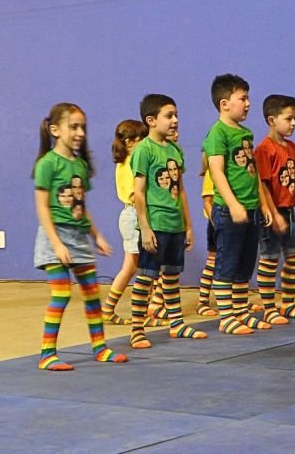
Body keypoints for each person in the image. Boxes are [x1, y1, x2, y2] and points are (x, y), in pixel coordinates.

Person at [32, 102, 127, 371]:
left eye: (82, 127)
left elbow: (80, 206)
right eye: (73, 127)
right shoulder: (47, 164)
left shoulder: (81, 165)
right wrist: (57, 244)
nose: (80, 133)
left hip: (79, 237)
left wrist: (96, 236)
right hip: (55, 237)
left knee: (92, 294)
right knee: (61, 293)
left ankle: (100, 347)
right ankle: (47, 354)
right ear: (55, 130)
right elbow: (42, 208)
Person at [129, 94, 206, 349]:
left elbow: (180, 190)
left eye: (176, 115)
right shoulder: (144, 150)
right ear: (151, 120)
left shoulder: (175, 150)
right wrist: (145, 227)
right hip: (156, 224)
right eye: (168, 116)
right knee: (146, 277)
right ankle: (137, 329)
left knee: (172, 276)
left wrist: (188, 225)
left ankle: (176, 324)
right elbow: (139, 192)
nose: (175, 121)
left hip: (174, 224)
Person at [202, 74, 272, 335]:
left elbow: (253, 173)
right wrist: (232, 204)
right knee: (227, 263)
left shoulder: (245, 133)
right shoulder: (217, 133)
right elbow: (217, 171)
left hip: (251, 209)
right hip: (228, 210)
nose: (248, 103)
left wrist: (263, 205)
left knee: (245, 263)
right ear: (224, 104)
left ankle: (241, 312)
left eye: (247, 98)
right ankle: (226, 316)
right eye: (243, 98)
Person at [254, 94, 295, 324]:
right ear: (272, 120)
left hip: (289, 211)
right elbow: (262, 185)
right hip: (272, 213)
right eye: (288, 119)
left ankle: (287, 303)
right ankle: (269, 307)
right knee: (269, 259)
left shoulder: (290, 147)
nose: (293, 123)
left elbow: (293, 178)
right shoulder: (264, 149)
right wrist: (272, 213)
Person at [101, 119, 169, 328]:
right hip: (134, 216)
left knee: (138, 266)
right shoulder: (131, 163)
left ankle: (119, 308)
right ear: (129, 142)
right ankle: (114, 309)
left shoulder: (126, 162)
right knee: (134, 267)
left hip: (133, 215)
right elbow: (135, 194)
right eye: (142, 139)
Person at [194, 152, 218, 317]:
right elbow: (207, 201)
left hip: (234, 223)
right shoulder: (212, 172)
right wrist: (216, 221)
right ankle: (202, 301)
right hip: (218, 223)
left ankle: (239, 300)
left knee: (234, 261)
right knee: (212, 261)